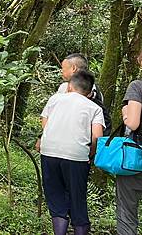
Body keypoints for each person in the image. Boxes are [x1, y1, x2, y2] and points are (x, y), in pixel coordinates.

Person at [40, 70, 104, 235]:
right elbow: (97, 136)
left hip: (49, 152)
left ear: (69, 86)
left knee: (56, 200)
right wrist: (90, 154)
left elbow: (45, 123)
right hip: (76, 156)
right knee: (78, 201)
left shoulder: (55, 99)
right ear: (90, 93)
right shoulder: (94, 107)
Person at [117, 49, 142, 235]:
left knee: (127, 212)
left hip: (136, 159)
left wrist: (125, 113)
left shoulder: (138, 87)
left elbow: (133, 124)